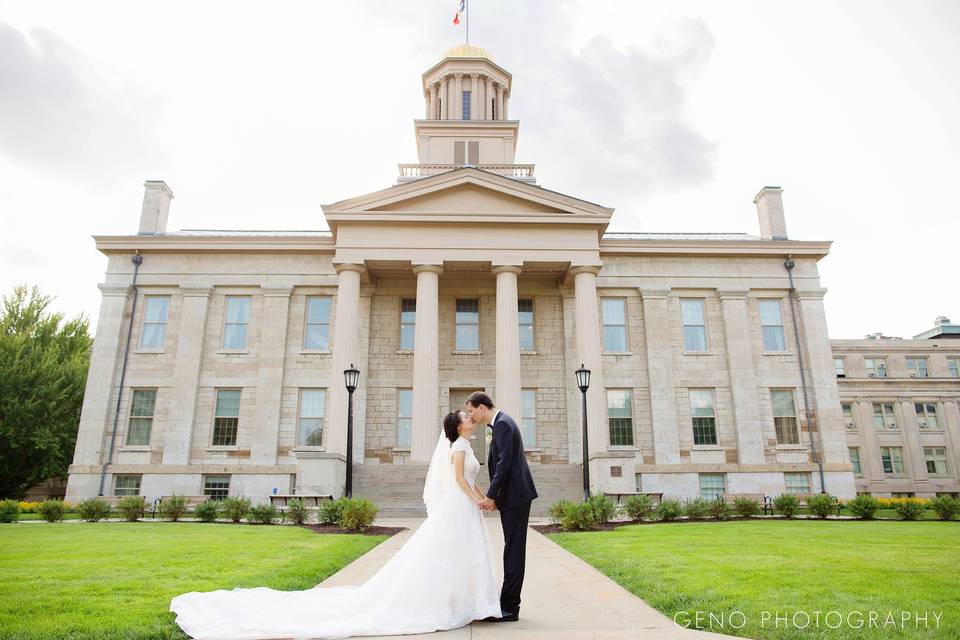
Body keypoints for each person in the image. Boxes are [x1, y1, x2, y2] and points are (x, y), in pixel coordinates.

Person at [169, 410, 501, 639]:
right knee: (449, 553)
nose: (470, 418)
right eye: (465, 417)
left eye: (469, 415)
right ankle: (451, 602)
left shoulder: (464, 445)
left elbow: (470, 480)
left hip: (464, 506)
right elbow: (458, 479)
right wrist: (478, 499)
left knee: (458, 554)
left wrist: (484, 497)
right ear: (458, 427)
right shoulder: (457, 447)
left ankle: (462, 601)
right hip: (458, 506)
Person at [465, 391, 538, 622]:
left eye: (471, 410)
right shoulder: (500, 425)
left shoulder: (504, 424)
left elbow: (504, 465)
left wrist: (490, 496)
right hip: (513, 497)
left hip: (516, 496)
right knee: (511, 550)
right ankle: (506, 602)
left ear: (482, 408)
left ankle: (509, 608)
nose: (470, 415)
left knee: (514, 551)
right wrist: (494, 497)